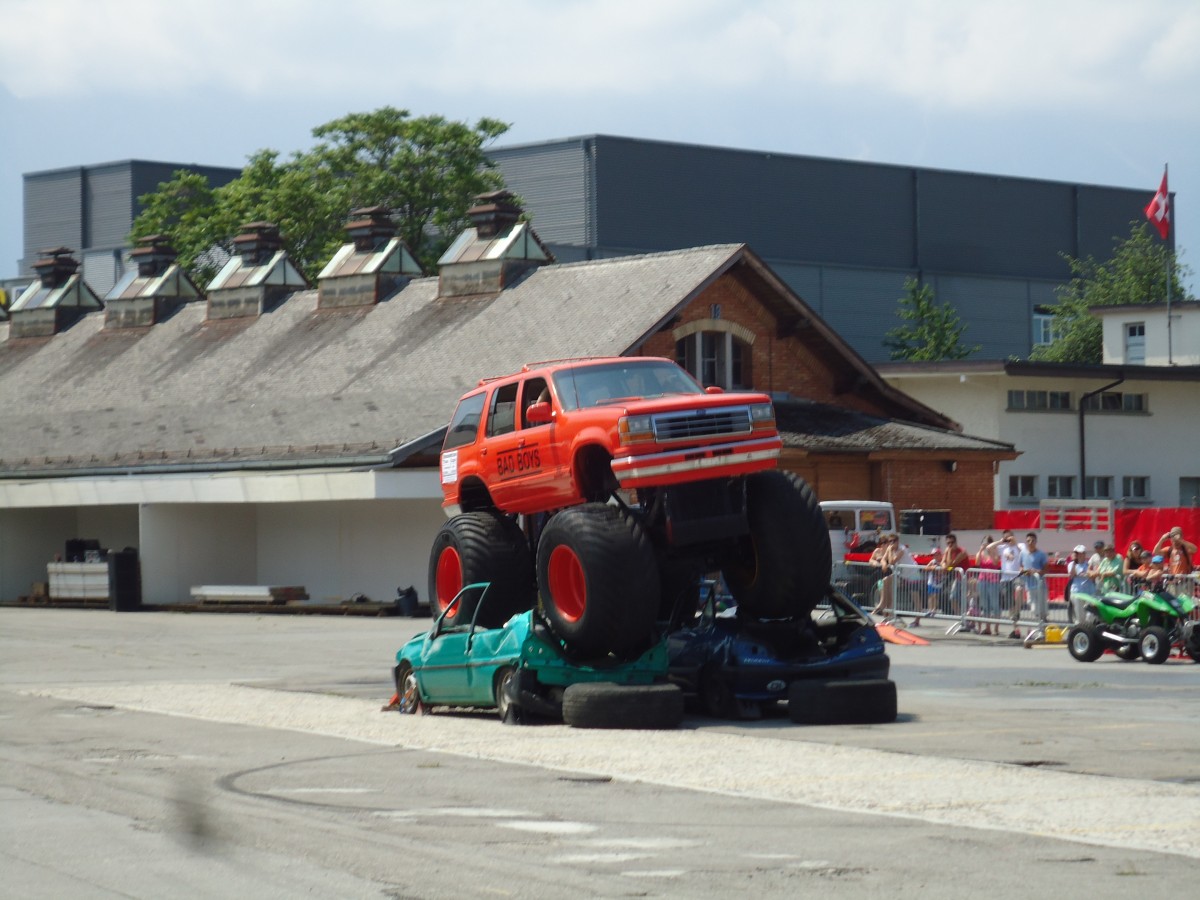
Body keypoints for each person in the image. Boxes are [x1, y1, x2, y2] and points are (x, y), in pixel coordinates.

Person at [974, 535, 1002, 635]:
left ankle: (996, 627)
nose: (986, 544)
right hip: (983, 580)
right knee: (985, 605)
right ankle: (987, 627)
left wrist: (991, 551)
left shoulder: (994, 552)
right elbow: (977, 563)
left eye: (988, 542)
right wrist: (981, 550)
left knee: (994, 604)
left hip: (993, 581)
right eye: (984, 542)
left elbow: (996, 563)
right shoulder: (981, 553)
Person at [1018, 532, 1048, 618]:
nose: (1030, 542)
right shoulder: (1022, 553)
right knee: (1032, 606)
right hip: (1029, 585)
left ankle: (1043, 623)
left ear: (1036, 541)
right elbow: (1020, 566)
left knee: (1042, 607)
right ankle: (1038, 622)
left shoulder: (1041, 554)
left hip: (1040, 584)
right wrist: (1023, 571)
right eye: (1028, 541)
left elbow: (1046, 569)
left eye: (1032, 541)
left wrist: (1036, 572)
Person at [868, 533, 900, 614]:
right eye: (881, 542)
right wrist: (875, 562)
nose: (883, 544)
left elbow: (892, 561)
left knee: (889, 597)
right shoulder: (877, 551)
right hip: (880, 576)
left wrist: (884, 562)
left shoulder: (891, 551)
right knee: (882, 592)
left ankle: (887, 615)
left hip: (889, 575)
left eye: (885, 542)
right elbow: (870, 560)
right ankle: (882, 609)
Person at [1065, 544, 1094, 623]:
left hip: (1089, 592)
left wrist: (1088, 574)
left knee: (1090, 616)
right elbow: (1071, 575)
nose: (1079, 555)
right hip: (1077, 592)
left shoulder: (1088, 564)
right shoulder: (1071, 564)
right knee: (1080, 617)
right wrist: (1075, 562)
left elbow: (1092, 576)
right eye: (1077, 553)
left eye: (1081, 553)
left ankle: (1089, 631)